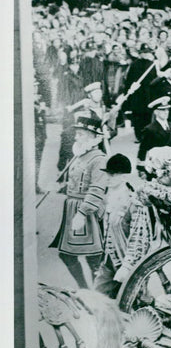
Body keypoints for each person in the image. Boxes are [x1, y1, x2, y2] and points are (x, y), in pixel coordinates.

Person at [49, 114, 107, 289]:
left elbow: (97, 189)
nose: (76, 137)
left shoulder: (98, 158)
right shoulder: (81, 154)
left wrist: (82, 213)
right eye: (77, 134)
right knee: (68, 255)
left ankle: (99, 294)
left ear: (93, 136)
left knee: (93, 258)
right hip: (72, 209)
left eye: (81, 134)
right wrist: (61, 185)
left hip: (85, 212)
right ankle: (86, 290)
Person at [93, 154, 153, 298]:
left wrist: (127, 267)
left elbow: (139, 240)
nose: (108, 177)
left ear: (124, 177)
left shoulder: (134, 204)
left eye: (112, 174)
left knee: (137, 303)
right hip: (110, 261)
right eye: (108, 173)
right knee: (97, 299)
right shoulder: (109, 197)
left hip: (130, 265)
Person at [137, 96, 171, 167]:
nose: (166, 112)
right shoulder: (150, 129)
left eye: (167, 110)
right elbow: (143, 149)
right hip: (156, 164)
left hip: (170, 163)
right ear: (156, 112)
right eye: (163, 110)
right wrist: (141, 167)